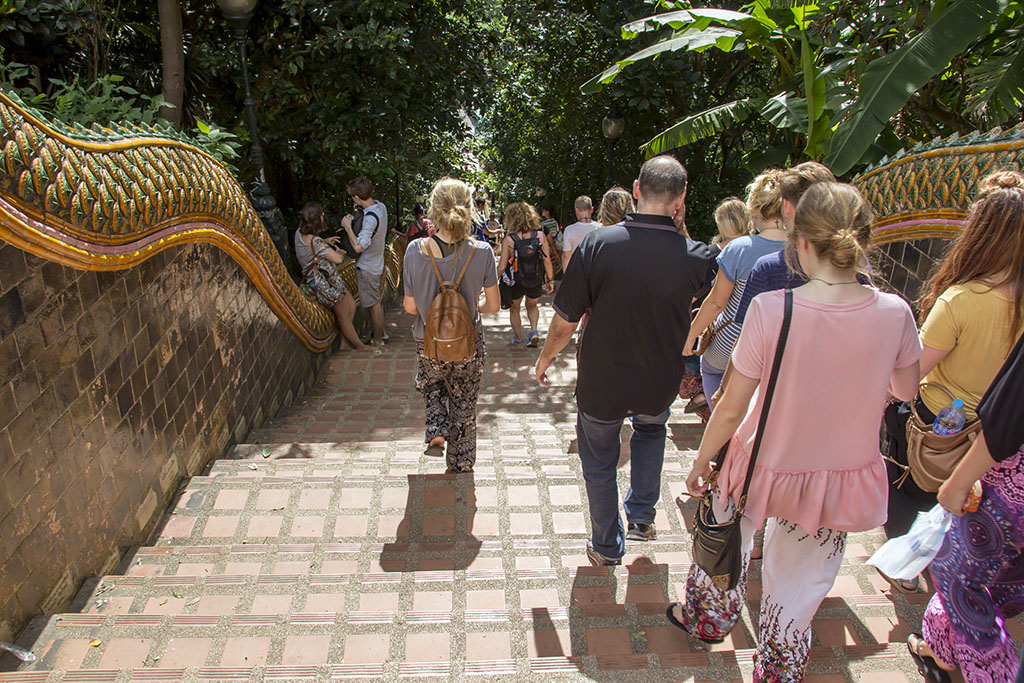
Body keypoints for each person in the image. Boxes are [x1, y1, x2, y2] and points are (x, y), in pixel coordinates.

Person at [669, 182, 922, 682]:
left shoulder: (773, 310)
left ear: (800, 242)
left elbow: (731, 406)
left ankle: (708, 616)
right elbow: (905, 388)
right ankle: (778, 667)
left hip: (761, 457)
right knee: (799, 585)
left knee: (724, 540)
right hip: (837, 471)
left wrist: (702, 462)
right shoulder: (895, 313)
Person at [534, 155, 715, 565]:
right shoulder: (697, 255)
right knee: (651, 433)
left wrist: (545, 358)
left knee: (599, 457)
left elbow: (565, 321)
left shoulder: (599, 244)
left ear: (636, 189)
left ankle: (605, 543)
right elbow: (707, 303)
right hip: (659, 376)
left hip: (604, 376)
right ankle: (641, 519)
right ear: (681, 198)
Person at [883, 171, 1024, 591]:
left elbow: (914, 370)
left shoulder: (962, 299)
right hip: (994, 430)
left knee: (908, 485)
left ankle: (904, 569)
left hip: (939, 421)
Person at [910, 326, 1024, 683]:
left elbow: (1007, 417)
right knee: (991, 578)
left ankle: (995, 673)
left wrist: (958, 482)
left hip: (1013, 490)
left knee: (957, 577)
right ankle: (940, 649)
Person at [402, 177, 500, 473]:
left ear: (433, 211)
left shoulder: (414, 251)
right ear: (469, 209)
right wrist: (472, 308)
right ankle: (461, 462)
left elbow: (409, 308)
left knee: (432, 387)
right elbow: (493, 306)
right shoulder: (482, 252)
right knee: (465, 401)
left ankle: (436, 430)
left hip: (428, 341)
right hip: (468, 343)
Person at [684, 170, 788, 407]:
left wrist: (691, 335)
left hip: (733, 343)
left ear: (755, 209)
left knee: (711, 372)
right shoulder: (807, 249)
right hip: (786, 345)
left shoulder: (740, 249)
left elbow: (716, 303)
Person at [680, 198, 750, 420]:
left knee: (706, 372)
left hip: (714, 330)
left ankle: (706, 403)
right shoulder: (758, 248)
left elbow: (711, 300)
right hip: (752, 330)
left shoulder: (713, 254)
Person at [293, 202, 366, 352]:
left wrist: (325, 243)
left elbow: (310, 248)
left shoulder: (299, 234)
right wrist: (338, 252)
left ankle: (344, 343)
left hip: (318, 279)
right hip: (323, 283)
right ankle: (360, 346)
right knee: (344, 316)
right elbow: (337, 259)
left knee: (351, 304)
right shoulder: (316, 242)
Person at [497, 202, 555, 347]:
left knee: (515, 308)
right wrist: (550, 280)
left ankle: (518, 338)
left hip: (516, 281)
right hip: (535, 278)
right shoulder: (540, 236)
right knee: (532, 305)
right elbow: (547, 261)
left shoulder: (509, 240)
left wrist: (491, 280)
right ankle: (534, 331)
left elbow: (502, 266)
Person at [341, 177, 389, 345]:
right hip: (378, 263)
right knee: (375, 302)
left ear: (356, 198)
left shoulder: (370, 219)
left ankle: (377, 340)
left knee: (373, 305)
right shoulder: (380, 207)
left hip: (368, 267)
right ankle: (381, 334)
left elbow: (359, 247)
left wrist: (347, 226)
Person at [561, 195, 601, 271]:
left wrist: (567, 277)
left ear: (576, 210)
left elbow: (566, 256)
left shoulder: (569, 230)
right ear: (592, 209)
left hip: (578, 272)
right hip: (597, 272)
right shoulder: (601, 228)